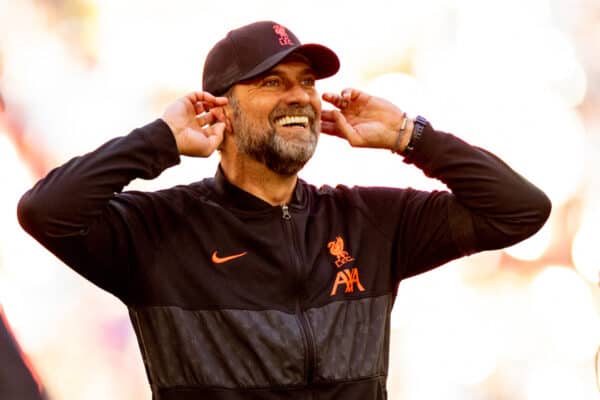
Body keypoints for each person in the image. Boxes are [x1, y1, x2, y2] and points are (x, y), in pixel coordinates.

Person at [17, 20, 551, 400]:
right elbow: (47, 211)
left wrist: (412, 137)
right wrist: (159, 140)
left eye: (307, 82)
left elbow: (519, 210)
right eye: (272, 82)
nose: (299, 96)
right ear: (218, 107)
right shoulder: (160, 232)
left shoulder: (367, 220)